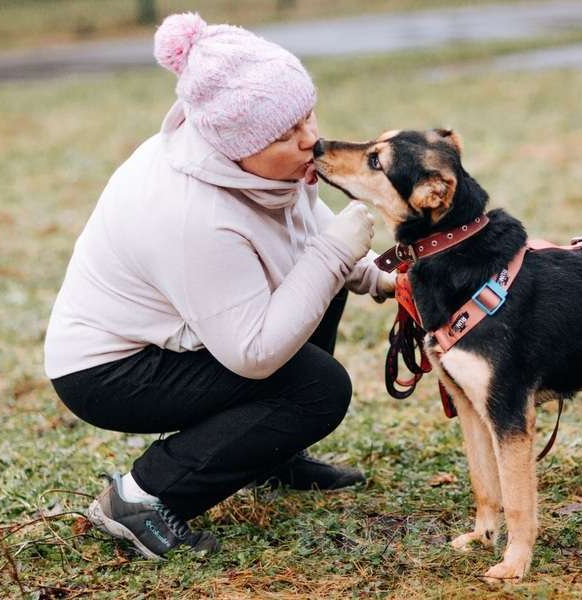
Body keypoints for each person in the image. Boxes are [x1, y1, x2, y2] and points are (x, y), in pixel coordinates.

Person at [43, 12, 394, 560]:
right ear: (237, 144)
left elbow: (305, 236)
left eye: (307, 116)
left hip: (188, 329)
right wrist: (334, 255)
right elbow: (255, 353)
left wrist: (382, 275)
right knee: (317, 388)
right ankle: (139, 498)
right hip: (111, 368)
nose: (311, 140)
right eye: (286, 133)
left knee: (317, 284)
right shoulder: (190, 213)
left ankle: (269, 453)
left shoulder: (265, 162)